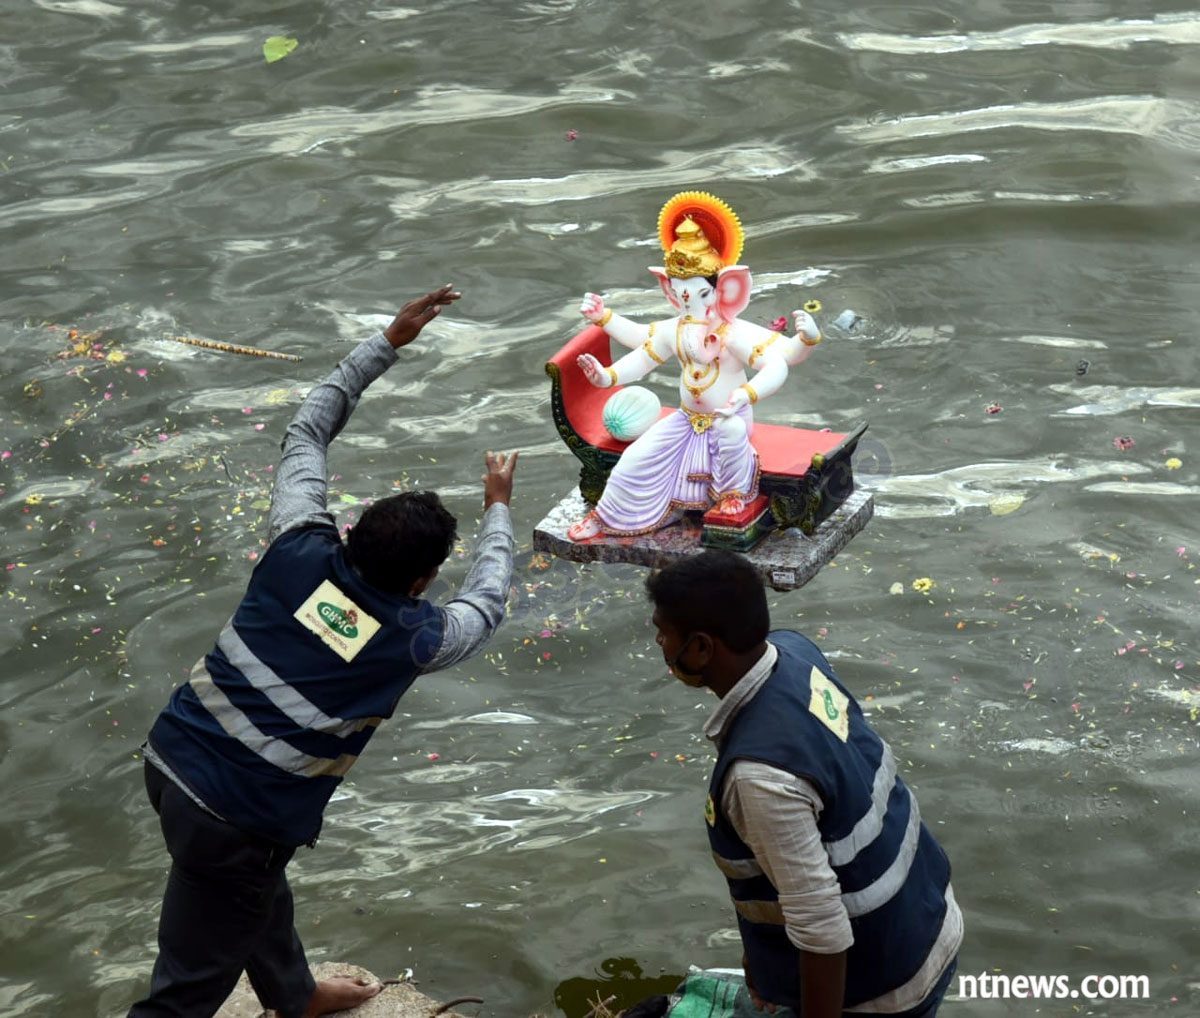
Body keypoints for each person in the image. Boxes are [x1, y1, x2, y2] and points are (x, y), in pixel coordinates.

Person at [129, 286, 520, 1018]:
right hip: (235, 817)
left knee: (247, 890)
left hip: (172, 758)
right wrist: (500, 505)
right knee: (186, 989)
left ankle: (295, 995)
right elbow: (486, 605)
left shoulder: (297, 543)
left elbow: (307, 432)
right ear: (421, 581)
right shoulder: (416, 638)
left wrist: (388, 341)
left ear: (350, 532)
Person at [646, 551, 963, 1017]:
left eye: (662, 632)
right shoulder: (796, 655)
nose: (657, 641)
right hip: (929, 919)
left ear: (700, 648)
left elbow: (823, 933)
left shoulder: (759, 779)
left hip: (887, 985)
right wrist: (757, 958)